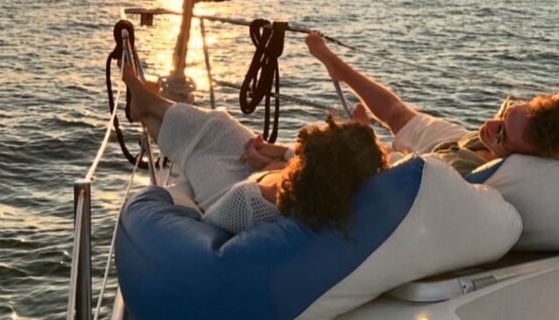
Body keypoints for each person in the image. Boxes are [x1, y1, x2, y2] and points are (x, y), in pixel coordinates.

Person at [295, 31, 559, 176]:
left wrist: (365, 138)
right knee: (398, 114)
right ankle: (338, 67)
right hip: (460, 140)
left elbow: (387, 179)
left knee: (377, 136)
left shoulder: (474, 174)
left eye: (502, 134)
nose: (490, 124)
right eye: (505, 114)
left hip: (443, 158)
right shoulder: (545, 130)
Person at [122, 64, 388, 235]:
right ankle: (146, 106)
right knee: (219, 122)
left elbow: (247, 194)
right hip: (253, 177)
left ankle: (142, 102)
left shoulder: (254, 204)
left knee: (195, 149)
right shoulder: (326, 180)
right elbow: (298, 164)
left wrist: (265, 163)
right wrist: (271, 155)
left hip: (225, 194)